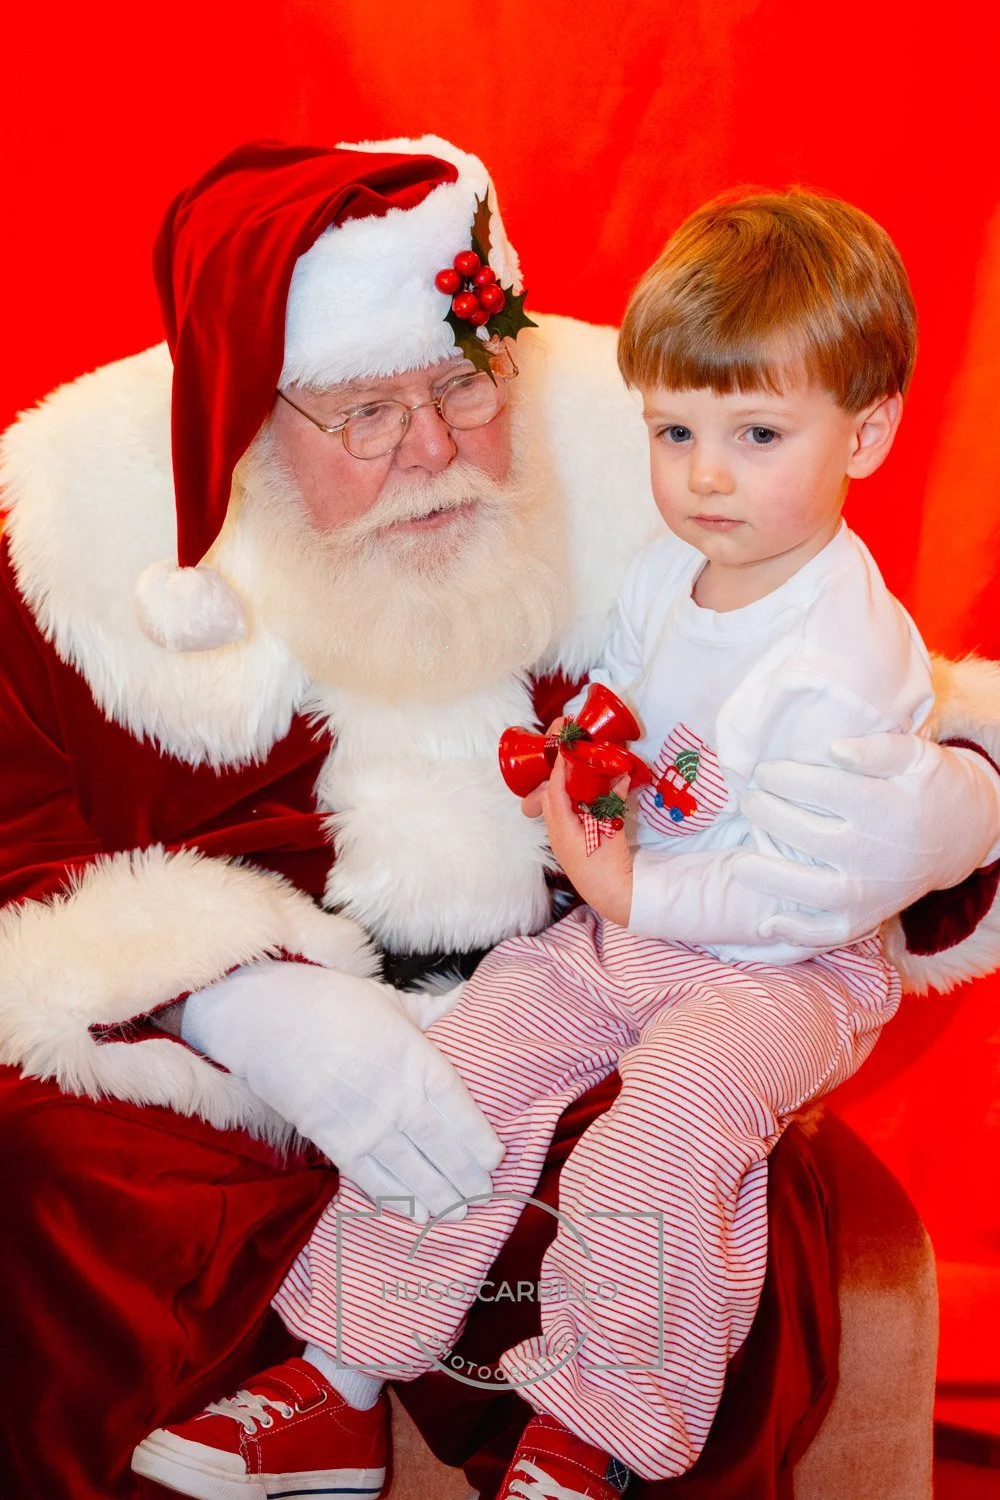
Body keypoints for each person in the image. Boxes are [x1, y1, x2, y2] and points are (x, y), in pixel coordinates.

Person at [1, 139, 999, 1500]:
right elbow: (26, 854)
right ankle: (334, 1383)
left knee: (662, 1149)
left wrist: (957, 796)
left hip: (744, 957)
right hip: (548, 965)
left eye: (465, 387)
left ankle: (601, 1439)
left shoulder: (663, 449)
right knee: (78, 1166)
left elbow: (869, 769)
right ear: (249, 420)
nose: (431, 448)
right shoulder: (71, 531)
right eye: (361, 413)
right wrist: (227, 997)